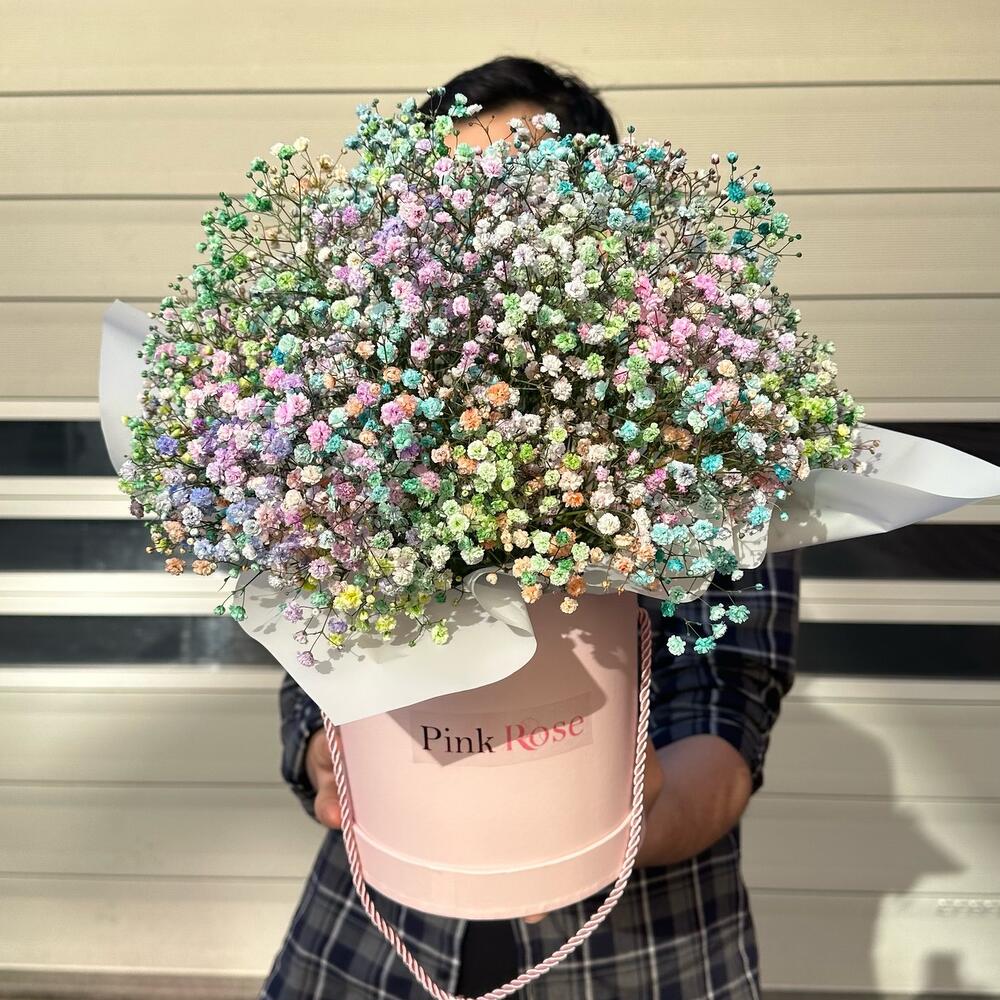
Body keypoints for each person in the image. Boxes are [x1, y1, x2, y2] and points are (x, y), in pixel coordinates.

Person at [258, 55, 801, 1000]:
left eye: (515, 192)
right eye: (449, 196)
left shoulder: (702, 420)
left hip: (640, 949)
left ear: (598, 212)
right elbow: (314, 638)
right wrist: (325, 753)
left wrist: (620, 819)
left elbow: (727, 703)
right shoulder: (354, 406)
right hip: (372, 945)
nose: (481, 225)